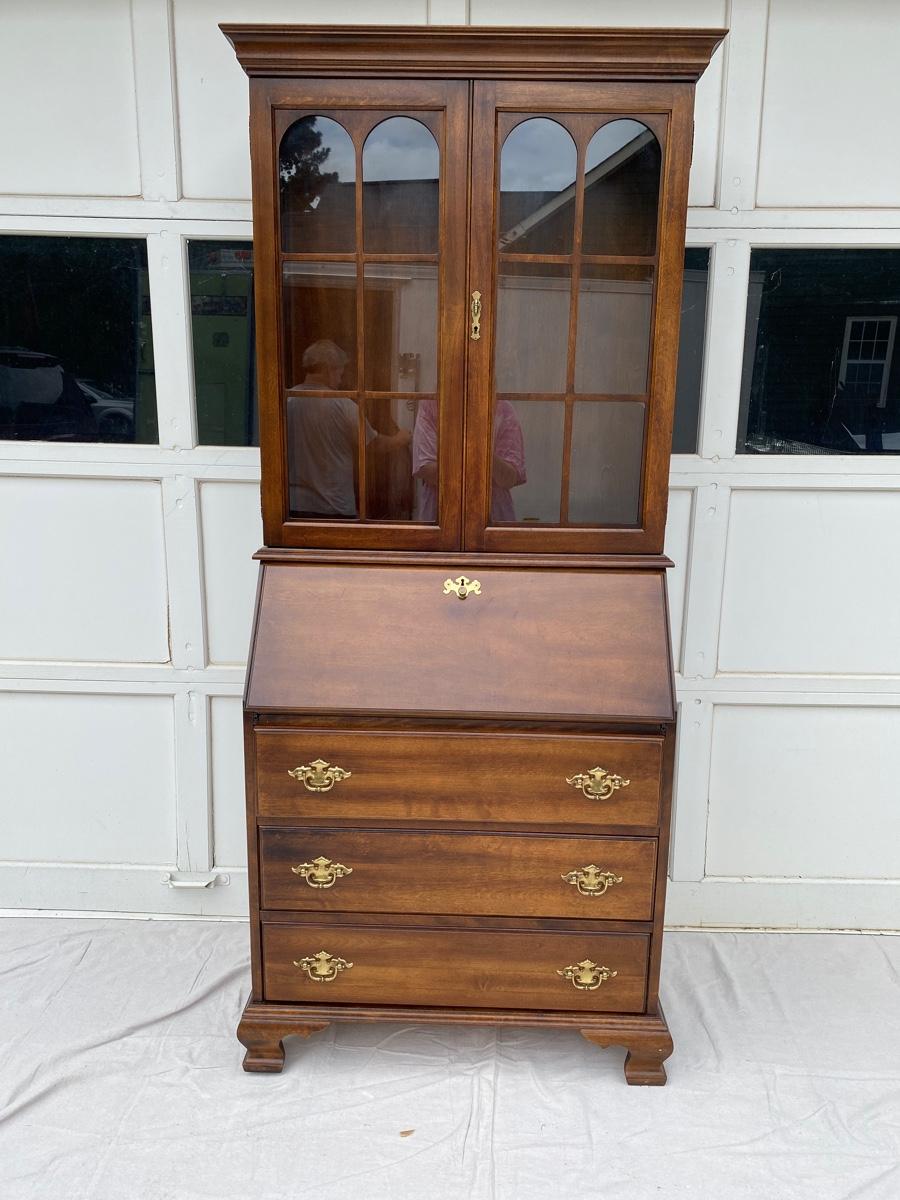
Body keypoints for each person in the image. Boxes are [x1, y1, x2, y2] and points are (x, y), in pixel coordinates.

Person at [287, 339, 410, 518]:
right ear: (329, 370)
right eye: (340, 373)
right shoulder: (343, 405)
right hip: (334, 509)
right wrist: (400, 439)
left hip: (295, 507)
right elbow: (374, 445)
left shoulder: (287, 401)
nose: (340, 380)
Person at [412, 396, 526, 522]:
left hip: (492, 521)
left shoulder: (503, 409)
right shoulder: (430, 405)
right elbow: (427, 470)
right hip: (443, 521)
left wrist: (479, 446)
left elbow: (509, 478)